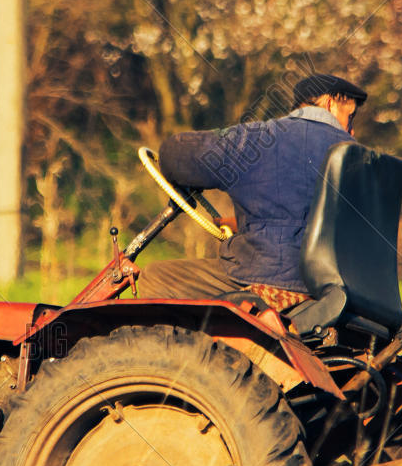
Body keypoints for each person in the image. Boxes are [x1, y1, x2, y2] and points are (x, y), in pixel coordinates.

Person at [139, 73, 366, 303]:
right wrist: (247, 222)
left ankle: (188, 339)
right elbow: (314, 218)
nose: (352, 130)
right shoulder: (363, 161)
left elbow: (173, 156)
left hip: (263, 279)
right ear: (329, 102)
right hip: (337, 291)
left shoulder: (258, 139)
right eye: (351, 117)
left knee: (154, 276)